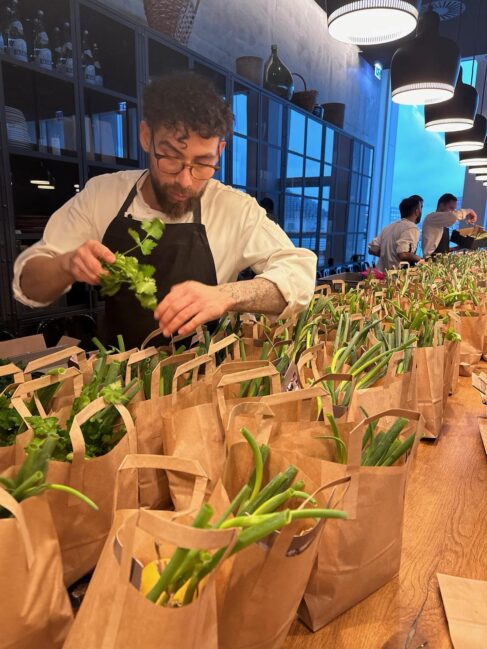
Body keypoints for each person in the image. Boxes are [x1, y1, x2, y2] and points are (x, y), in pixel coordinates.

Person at [13, 72, 316, 349]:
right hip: (118, 374)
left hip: (201, 378)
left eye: (203, 163)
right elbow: (29, 285)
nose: (185, 181)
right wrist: (65, 264)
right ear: (146, 136)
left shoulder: (233, 208)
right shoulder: (103, 195)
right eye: (170, 158)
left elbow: (299, 276)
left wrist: (227, 295)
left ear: (219, 151)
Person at [368, 195, 423, 271]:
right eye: (421, 208)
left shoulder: (389, 227)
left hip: (381, 274)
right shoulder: (412, 228)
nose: (421, 211)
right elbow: (403, 254)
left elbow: (373, 249)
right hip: (397, 275)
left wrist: (388, 254)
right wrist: (422, 260)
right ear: (416, 211)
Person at [421, 193, 477, 257]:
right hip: (430, 260)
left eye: (454, 209)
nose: (452, 211)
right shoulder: (431, 217)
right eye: (451, 208)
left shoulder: (443, 223)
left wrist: (456, 248)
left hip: (440, 259)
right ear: (441, 205)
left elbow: (442, 250)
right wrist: (470, 210)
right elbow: (453, 216)